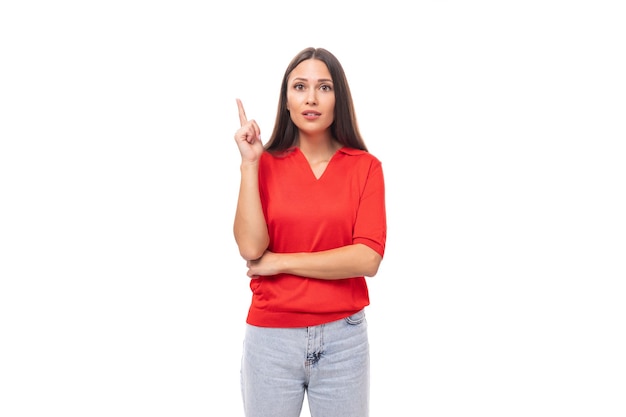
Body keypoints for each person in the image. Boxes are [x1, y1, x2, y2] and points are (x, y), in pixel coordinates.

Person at [232, 47, 387, 417]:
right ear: (286, 100)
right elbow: (252, 247)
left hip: (343, 340)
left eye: (324, 87)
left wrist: (280, 263)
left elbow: (367, 258)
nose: (312, 98)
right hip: (271, 338)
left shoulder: (365, 168)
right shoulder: (264, 163)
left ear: (340, 100)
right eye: (300, 87)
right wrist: (250, 165)